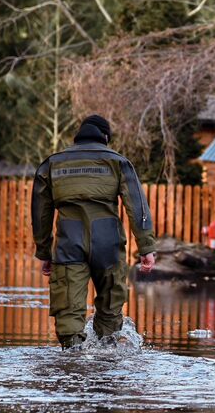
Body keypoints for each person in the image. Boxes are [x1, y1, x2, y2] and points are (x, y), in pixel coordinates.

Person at [31, 115, 157, 350]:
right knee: (110, 312)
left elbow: (41, 213)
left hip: (68, 246)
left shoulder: (52, 164)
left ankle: (72, 361)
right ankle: (105, 362)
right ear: (105, 137)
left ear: (78, 136)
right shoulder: (117, 162)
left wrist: (44, 251)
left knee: (68, 313)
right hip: (107, 245)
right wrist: (146, 248)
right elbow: (137, 206)